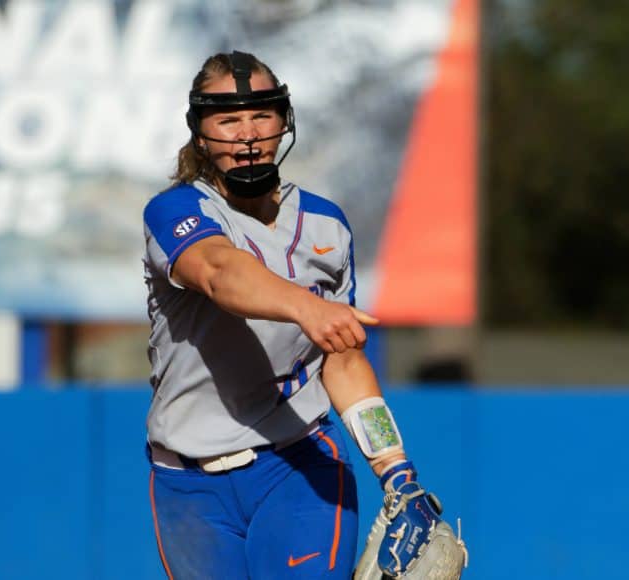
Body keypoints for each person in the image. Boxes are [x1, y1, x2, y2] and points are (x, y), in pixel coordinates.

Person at [142, 51, 464, 579]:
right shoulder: (175, 211)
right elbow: (221, 273)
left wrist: (395, 470)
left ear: (284, 121)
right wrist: (308, 307)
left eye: (261, 115)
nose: (246, 134)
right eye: (227, 119)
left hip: (298, 465)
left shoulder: (325, 227)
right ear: (200, 134)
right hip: (188, 484)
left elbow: (342, 361)